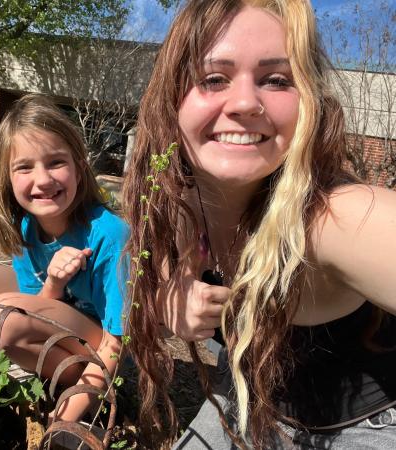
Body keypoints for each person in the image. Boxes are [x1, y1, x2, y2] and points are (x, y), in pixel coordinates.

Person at [122, 1, 396, 449]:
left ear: (308, 101)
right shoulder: (180, 197)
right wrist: (172, 289)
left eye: (276, 80)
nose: (247, 103)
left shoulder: (331, 219)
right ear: (172, 100)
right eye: (213, 78)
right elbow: (162, 268)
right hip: (251, 405)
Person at [0, 94, 127, 424]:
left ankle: (72, 379)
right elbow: (33, 302)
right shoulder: (27, 226)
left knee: (4, 322)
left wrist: (65, 418)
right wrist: (54, 282)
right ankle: (29, 353)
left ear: (79, 169)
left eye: (56, 162)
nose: (43, 180)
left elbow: (116, 343)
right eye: (24, 167)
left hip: (102, 343)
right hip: (59, 320)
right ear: (7, 179)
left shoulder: (110, 235)